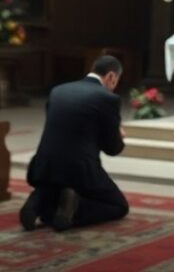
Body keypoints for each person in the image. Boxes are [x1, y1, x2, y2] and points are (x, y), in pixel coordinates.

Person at [20, 55, 129, 231]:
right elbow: (112, 148)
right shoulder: (108, 99)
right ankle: (75, 209)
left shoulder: (59, 90)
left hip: (44, 167)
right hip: (79, 171)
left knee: (57, 186)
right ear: (111, 77)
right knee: (118, 206)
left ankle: (38, 200)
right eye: (116, 81)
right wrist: (119, 134)